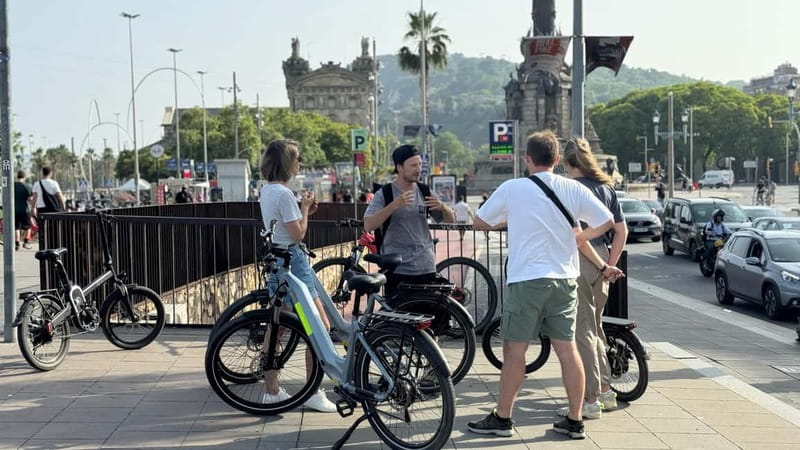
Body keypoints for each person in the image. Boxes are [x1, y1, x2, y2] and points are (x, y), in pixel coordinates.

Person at [467, 130, 622, 440]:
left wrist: (510, 221)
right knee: (568, 350)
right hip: (564, 279)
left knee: (515, 351)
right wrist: (583, 236)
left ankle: (503, 418)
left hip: (527, 279)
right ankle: (575, 419)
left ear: (527, 158)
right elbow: (607, 221)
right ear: (557, 159)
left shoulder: (513, 188)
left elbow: (480, 221)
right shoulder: (572, 188)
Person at [258, 139, 336, 412]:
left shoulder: (267, 190)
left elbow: (286, 227)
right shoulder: (283, 194)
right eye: (297, 158)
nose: (300, 162)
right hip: (293, 264)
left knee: (277, 327)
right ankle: (313, 390)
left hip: (278, 260)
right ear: (286, 162)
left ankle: (271, 391)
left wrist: (303, 212)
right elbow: (298, 234)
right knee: (319, 326)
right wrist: (304, 208)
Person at [561, 138, 629, 419]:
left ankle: (589, 400)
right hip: (601, 257)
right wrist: (609, 265)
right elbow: (621, 231)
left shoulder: (570, 189)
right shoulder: (606, 188)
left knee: (582, 331)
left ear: (567, 164)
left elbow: (575, 235)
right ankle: (605, 390)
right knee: (595, 326)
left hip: (580, 259)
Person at [363, 144, 455, 297]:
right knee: (397, 312)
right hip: (397, 269)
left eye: (420, 164)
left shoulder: (424, 191)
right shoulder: (385, 193)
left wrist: (443, 207)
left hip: (426, 266)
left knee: (432, 311)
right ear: (399, 167)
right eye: (413, 165)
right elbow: (368, 225)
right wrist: (394, 205)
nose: (418, 169)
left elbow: (450, 221)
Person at [13, 170, 34, 250]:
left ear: (17, 176)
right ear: (24, 176)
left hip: (14, 210)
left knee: (16, 227)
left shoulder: (13, 185)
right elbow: (30, 199)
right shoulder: (27, 186)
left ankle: (17, 244)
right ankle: (25, 242)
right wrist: (33, 207)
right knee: (28, 227)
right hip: (25, 210)